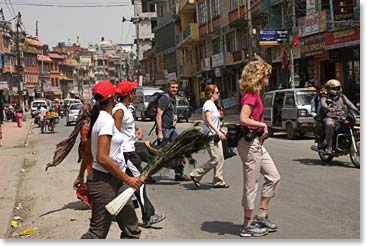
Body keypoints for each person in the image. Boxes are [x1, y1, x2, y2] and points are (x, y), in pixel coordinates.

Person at [80, 81, 144, 239]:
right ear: (114, 98)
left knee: (132, 228)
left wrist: (80, 175)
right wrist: (128, 179)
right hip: (105, 183)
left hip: (116, 182)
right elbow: (102, 158)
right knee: (97, 233)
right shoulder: (106, 120)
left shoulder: (99, 118)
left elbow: (88, 151)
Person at [237, 57, 280, 237]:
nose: (268, 78)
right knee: (251, 184)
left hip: (256, 143)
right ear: (259, 76)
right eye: (267, 75)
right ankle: (247, 226)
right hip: (249, 143)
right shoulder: (250, 95)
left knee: (274, 176)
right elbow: (243, 118)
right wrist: (262, 126)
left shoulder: (255, 94)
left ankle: (261, 215)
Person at [113, 80, 166, 228]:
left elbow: (126, 127)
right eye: (133, 92)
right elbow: (115, 133)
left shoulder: (126, 108)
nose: (135, 94)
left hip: (130, 150)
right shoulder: (119, 110)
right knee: (139, 182)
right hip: (126, 153)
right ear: (129, 95)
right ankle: (148, 216)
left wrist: (137, 130)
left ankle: (120, 210)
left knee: (132, 184)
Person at [189, 84, 229, 189]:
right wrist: (218, 132)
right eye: (217, 92)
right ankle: (196, 174)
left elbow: (216, 122)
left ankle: (218, 180)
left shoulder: (213, 104)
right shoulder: (208, 104)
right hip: (210, 136)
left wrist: (220, 131)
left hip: (215, 134)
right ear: (211, 94)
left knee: (220, 158)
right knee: (215, 159)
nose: (218, 94)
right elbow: (208, 120)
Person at [156, 80, 191, 181]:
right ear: (168, 88)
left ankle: (179, 173)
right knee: (158, 154)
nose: (174, 89)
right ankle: (147, 173)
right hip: (165, 130)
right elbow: (158, 115)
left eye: (176, 87)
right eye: (172, 87)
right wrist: (160, 132)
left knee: (180, 148)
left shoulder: (173, 98)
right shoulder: (165, 99)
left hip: (172, 129)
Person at [320, 79, 358, 154]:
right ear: (329, 89)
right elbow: (323, 103)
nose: (337, 90)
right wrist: (328, 108)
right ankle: (329, 146)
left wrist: (357, 110)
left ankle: (347, 142)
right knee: (329, 124)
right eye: (335, 88)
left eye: (338, 88)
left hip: (342, 118)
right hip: (331, 118)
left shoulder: (342, 97)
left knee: (353, 124)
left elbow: (350, 104)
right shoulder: (325, 97)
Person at [73, 102, 93, 208]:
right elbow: (84, 140)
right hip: (88, 151)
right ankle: (86, 194)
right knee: (91, 173)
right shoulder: (86, 124)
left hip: (89, 151)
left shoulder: (89, 122)